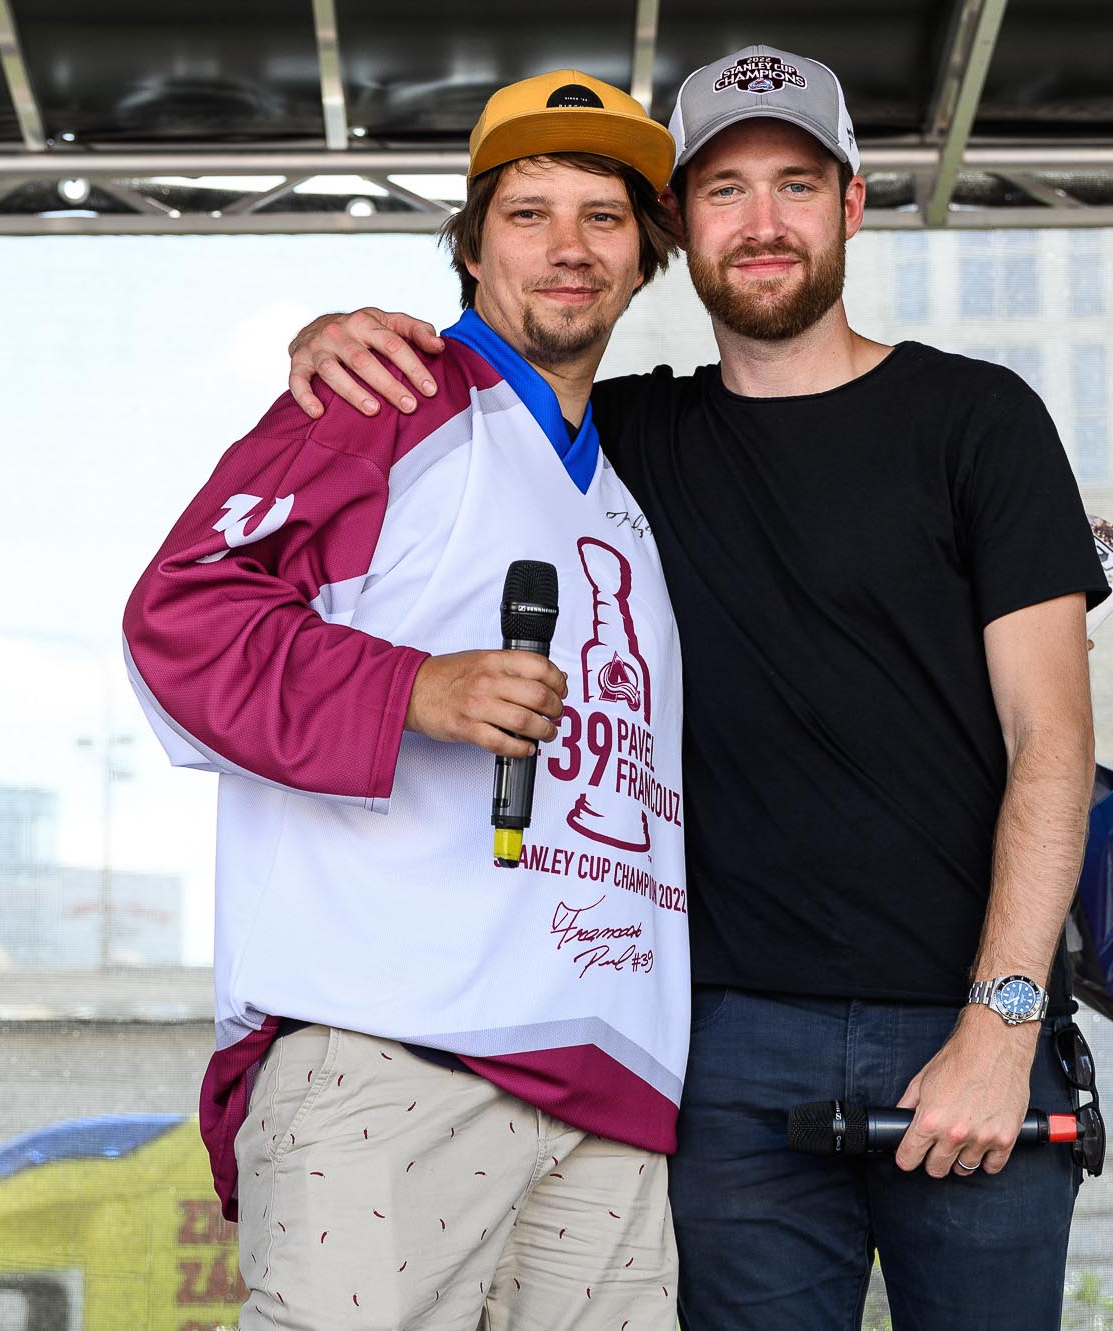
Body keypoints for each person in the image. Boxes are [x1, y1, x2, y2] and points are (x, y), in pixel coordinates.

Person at [285, 45, 1107, 1331]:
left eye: (795, 184)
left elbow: (1050, 736)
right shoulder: (618, 439)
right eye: (724, 189)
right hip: (721, 1050)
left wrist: (1003, 1020)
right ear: (677, 225)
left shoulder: (977, 420)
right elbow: (487, 376)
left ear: (851, 202)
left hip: (965, 1015)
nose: (761, 222)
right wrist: (333, 336)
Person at [123, 69, 692, 1331]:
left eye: (602, 217)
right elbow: (182, 617)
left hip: (608, 1093)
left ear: (642, 256)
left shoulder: (627, 486)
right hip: (396, 1053)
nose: (568, 246)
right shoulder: (390, 396)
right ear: (472, 246)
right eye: (528, 212)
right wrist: (414, 688)